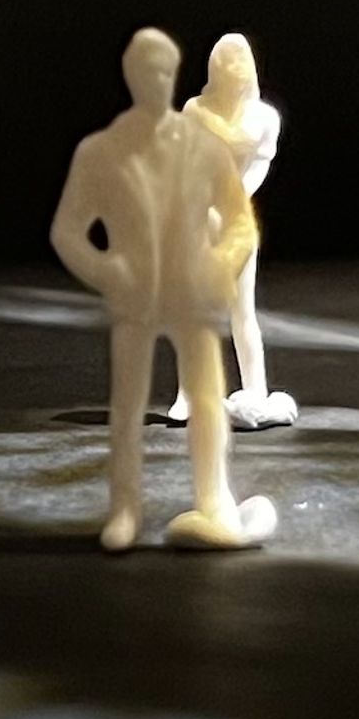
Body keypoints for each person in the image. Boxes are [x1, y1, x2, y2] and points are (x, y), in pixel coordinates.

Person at [51, 28, 274, 552]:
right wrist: (108, 271)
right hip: (135, 297)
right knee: (127, 410)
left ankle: (215, 499)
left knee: (208, 402)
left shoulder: (202, 145)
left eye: (165, 71)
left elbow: (242, 222)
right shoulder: (101, 151)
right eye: (147, 70)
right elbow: (67, 230)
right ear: (130, 75)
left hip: (193, 291)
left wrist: (222, 264)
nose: (157, 81)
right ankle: (124, 510)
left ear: (175, 76)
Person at [174, 32, 295, 429]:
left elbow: (260, 163)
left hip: (238, 219)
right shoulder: (195, 110)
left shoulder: (263, 117)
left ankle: (255, 390)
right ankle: (187, 395)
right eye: (224, 62)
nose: (232, 70)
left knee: (242, 310)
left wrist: (234, 197)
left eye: (238, 62)